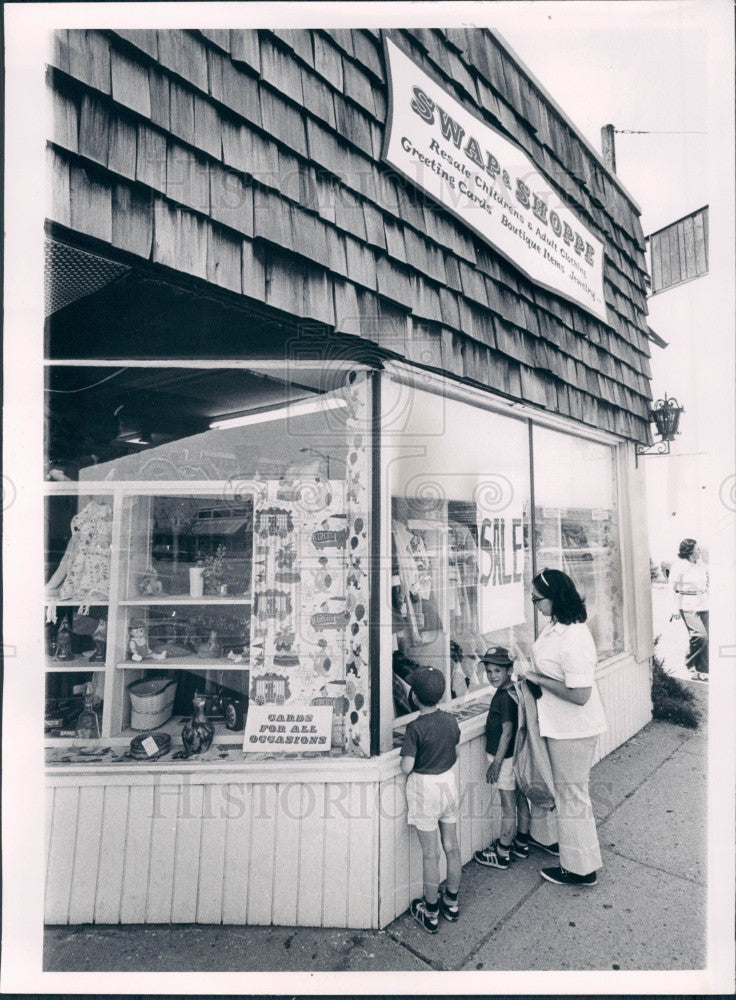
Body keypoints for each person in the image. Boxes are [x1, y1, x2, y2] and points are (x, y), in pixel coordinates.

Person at [523, 568, 607, 887]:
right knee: (567, 794)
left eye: (537, 599)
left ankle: (581, 868)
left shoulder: (574, 638)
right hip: (559, 726)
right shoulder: (556, 627)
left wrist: (537, 679)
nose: (535, 605)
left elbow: (581, 694)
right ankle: (568, 850)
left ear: (556, 598)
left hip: (574, 730)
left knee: (572, 796)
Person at [400, 666, 462, 933]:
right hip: (448, 784)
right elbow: (455, 751)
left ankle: (431, 910)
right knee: (451, 846)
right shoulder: (451, 720)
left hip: (425, 790)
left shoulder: (415, 727)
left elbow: (406, 766)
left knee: (430, 854)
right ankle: (452, 901)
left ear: (414, 696)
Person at [473, 646, 532, 870]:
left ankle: (502, 852)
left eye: (497, 670)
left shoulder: (503, 698)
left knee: (508, 806)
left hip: (504, 760)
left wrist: (496, 764)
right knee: (518, 800)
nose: (493, 676)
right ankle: (522, 843)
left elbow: (507, 732)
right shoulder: (513, 690)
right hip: (513, 757)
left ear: (509, 670)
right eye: (489, 671)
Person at [669, 538, 709, 680]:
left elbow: (707, 583)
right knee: (700, 636)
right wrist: (674, 609)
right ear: (690, 551)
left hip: (704, 603)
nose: (700, 551)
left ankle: (703, 671)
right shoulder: (679, 566)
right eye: (697, 549)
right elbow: (671, 589)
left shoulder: (700, 565)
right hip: (687, 605)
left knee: (707, 639)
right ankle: (688, 663)